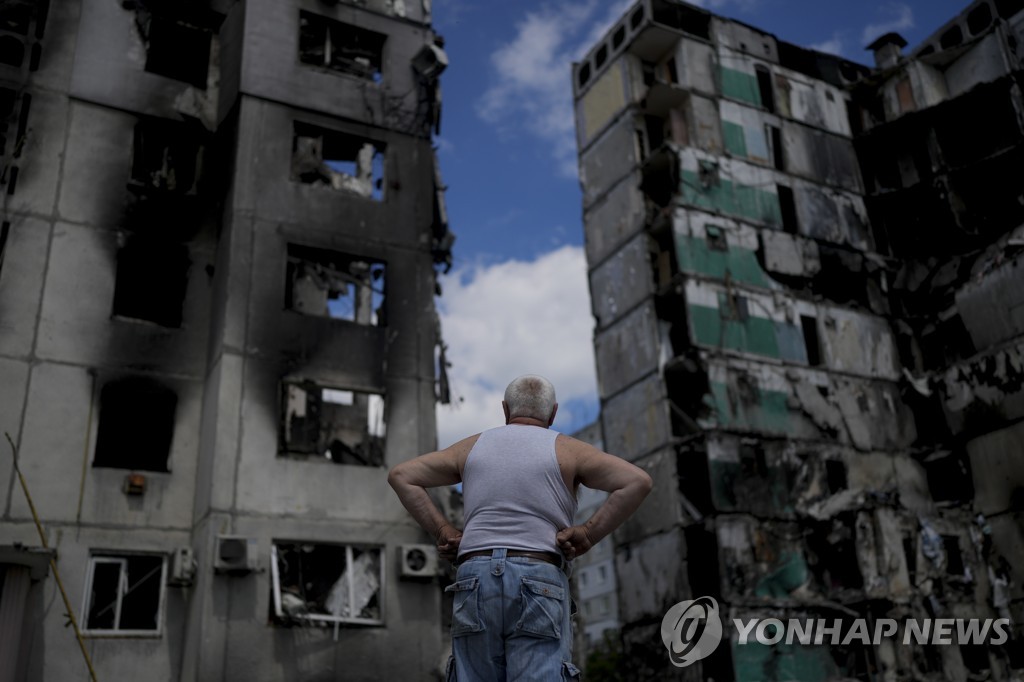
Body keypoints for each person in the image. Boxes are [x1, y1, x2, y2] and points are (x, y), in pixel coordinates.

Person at [388, 374, 653, 681]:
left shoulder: (470, 447)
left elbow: (401, 475)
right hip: (538, 574)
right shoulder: (569, 450)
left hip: (475, 576)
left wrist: (443, 531)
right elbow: (638, 481)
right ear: (552, 413)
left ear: (505, 410)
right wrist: (589, 534)